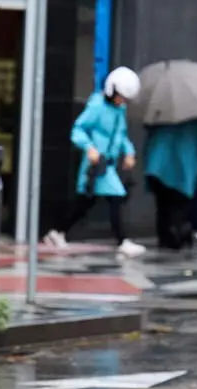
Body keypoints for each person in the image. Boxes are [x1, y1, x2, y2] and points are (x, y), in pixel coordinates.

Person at [44, 66, 146, 258]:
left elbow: (121, 135)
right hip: (95, 164)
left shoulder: (119, 110)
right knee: (116, 195)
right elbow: (78, 130)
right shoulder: (97, 106)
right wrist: (89, 148)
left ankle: (57, 232)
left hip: (106, 164)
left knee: (85, 202)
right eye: (121, 96)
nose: (122, 101)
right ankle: (122, 241)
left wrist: (129, 152)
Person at [143, 116, 197, 249]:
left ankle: (165, 239)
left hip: (158, 165)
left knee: (163, 206)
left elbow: (148, 126)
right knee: (180, 206)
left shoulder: (161, 109)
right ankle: (176, 238)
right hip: (182, 166)